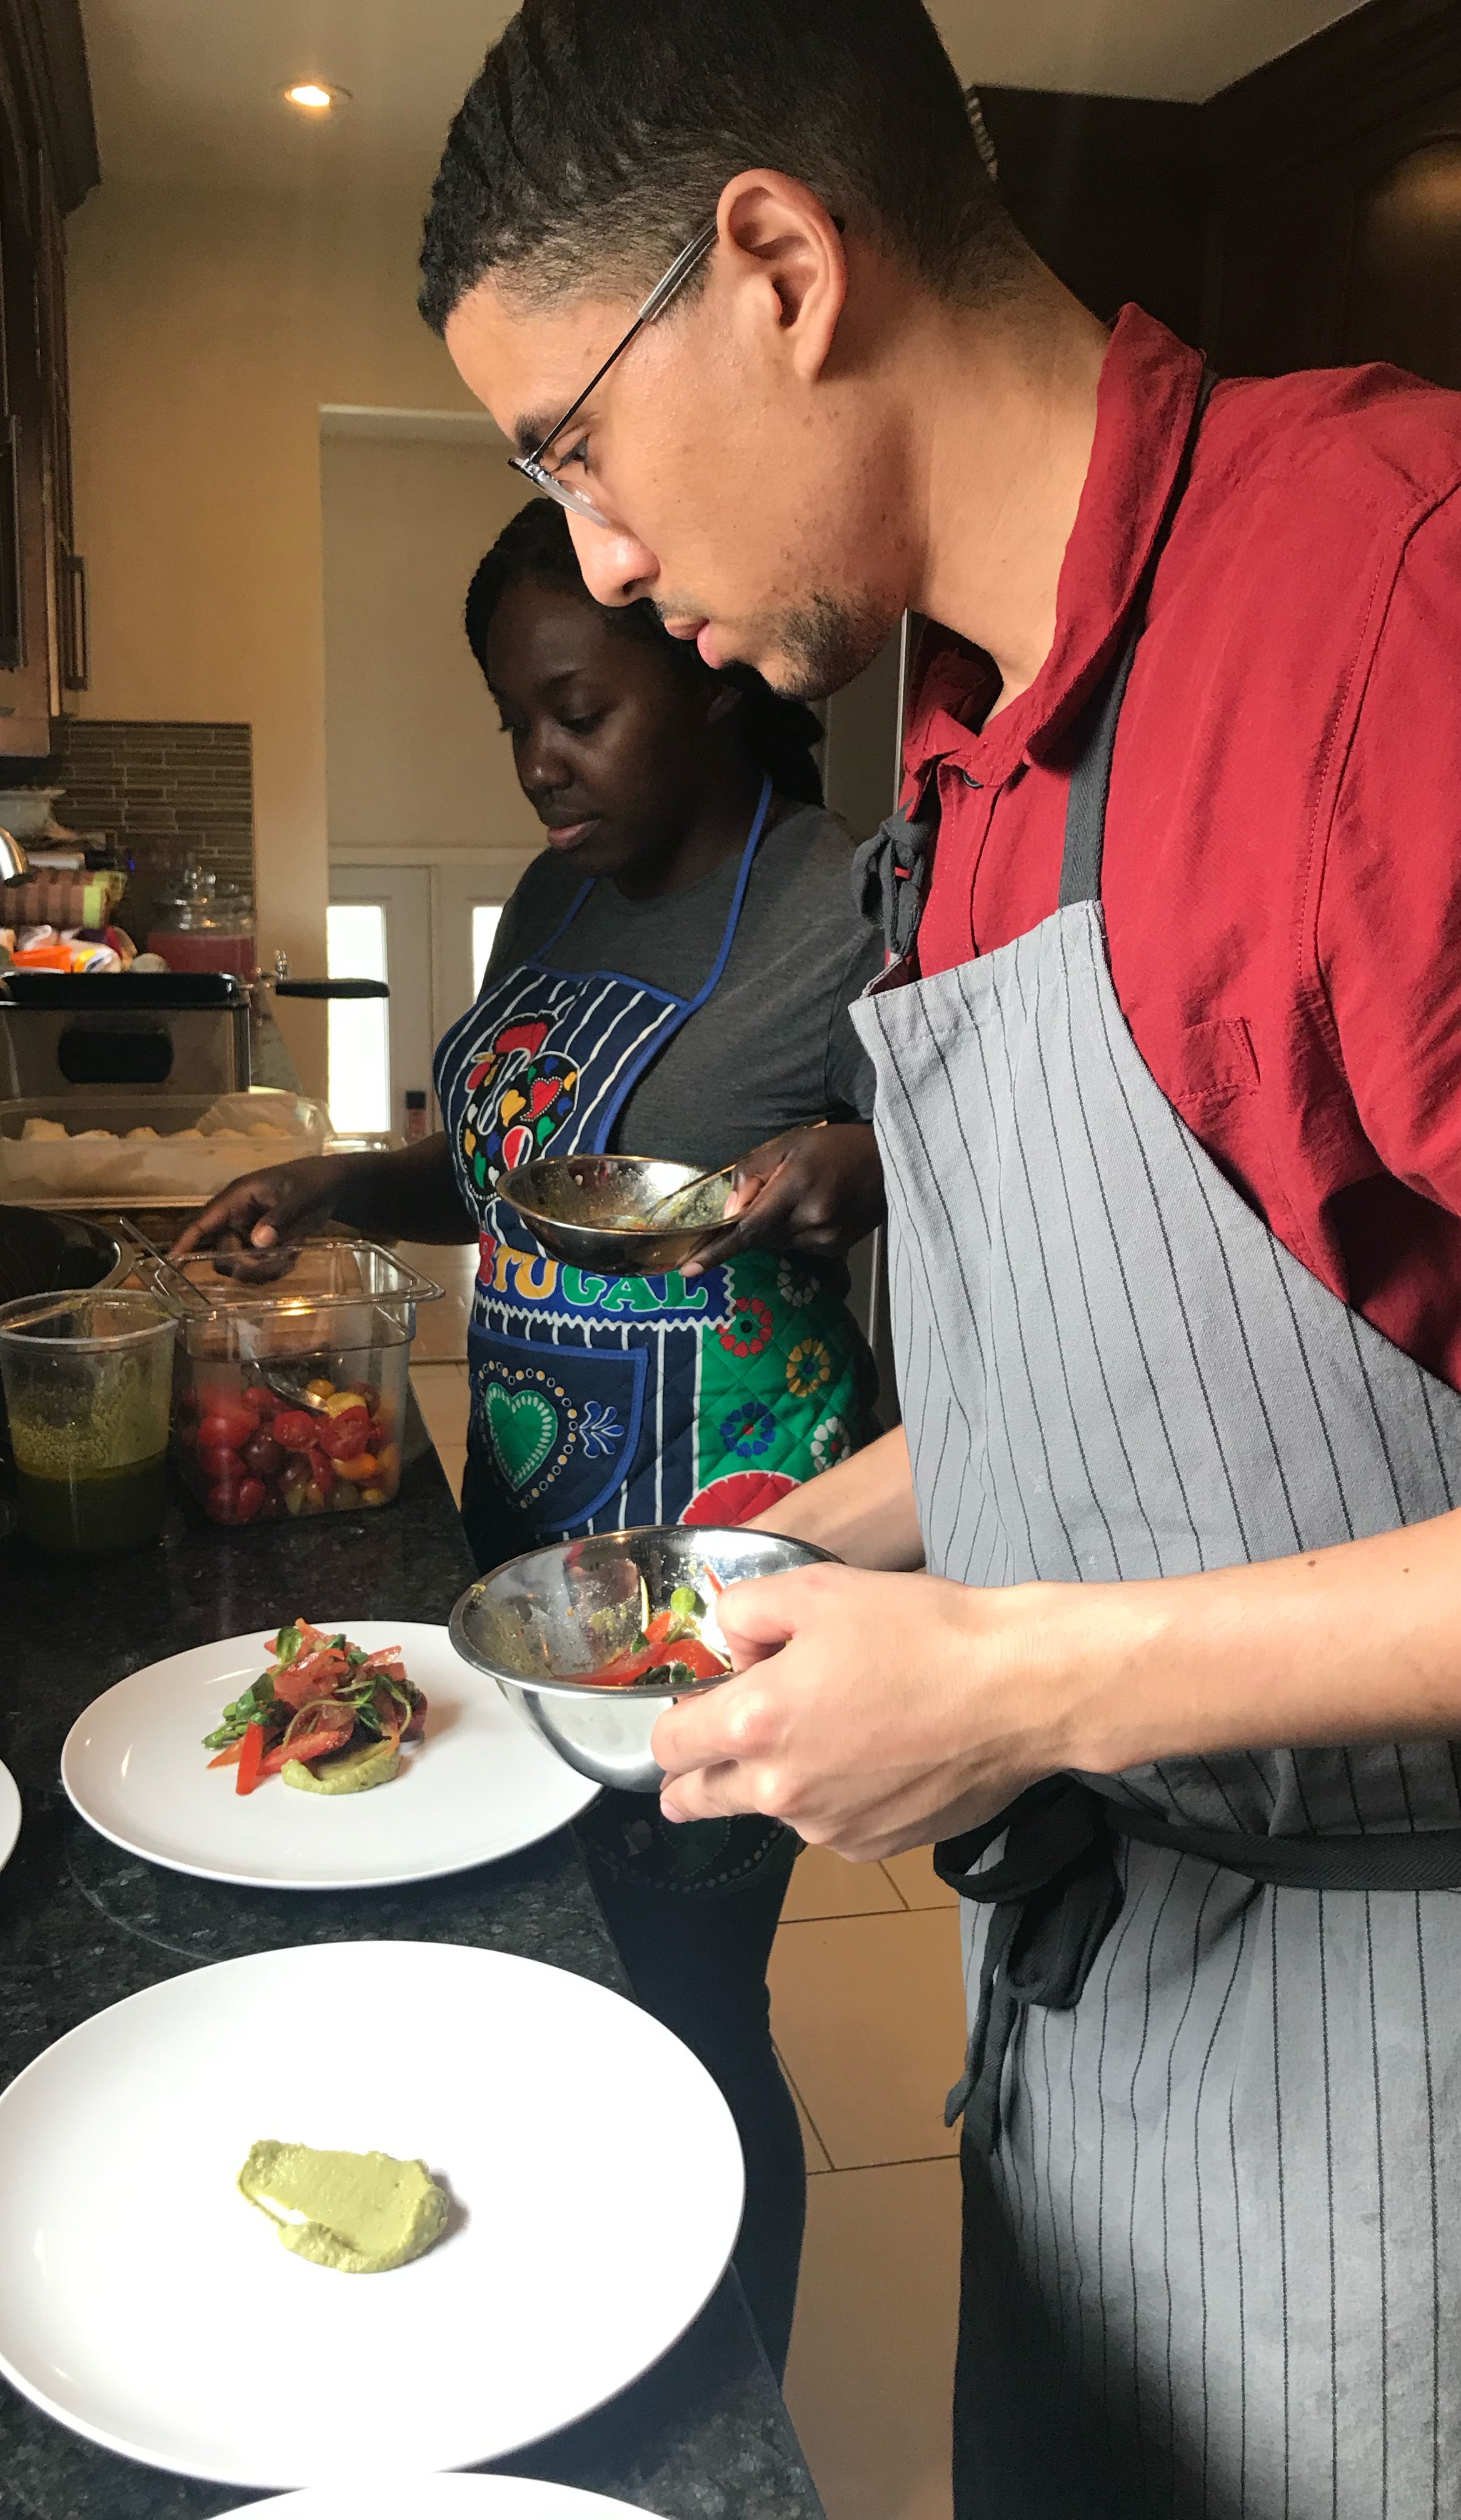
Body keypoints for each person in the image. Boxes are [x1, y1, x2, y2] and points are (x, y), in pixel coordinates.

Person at [423, 4, 1461, 2514]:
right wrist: (785, 1544)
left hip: (1422, 2080)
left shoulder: (1412, 617)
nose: (600, 558)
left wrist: (1026, 1680)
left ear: (780, 265)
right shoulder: (958, 734)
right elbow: (1179, 1368)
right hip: (1094, 2012)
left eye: (575, 449)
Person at [173, 496, 887, 2368]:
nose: (539, 762)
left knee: (690, 2008)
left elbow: (1004, 1187)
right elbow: (506, 1175)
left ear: (709, 674)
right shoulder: (558, 893)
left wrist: (866, 1163)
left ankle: (721, 2391)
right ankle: (556, 2324)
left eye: (577, 711)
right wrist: (344, 1179)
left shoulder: (847, 903)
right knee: (548, 1967)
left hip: (714, 1579)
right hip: (523, 1537)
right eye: (515, 720)